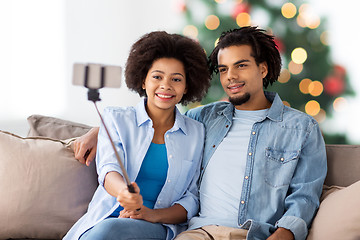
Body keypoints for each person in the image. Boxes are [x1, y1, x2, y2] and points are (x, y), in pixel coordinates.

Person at [75, 26, 327, 240]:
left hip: (251, 233)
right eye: (224, 69)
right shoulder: (207, 118)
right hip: (198, 233)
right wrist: (100, 130)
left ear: (262, 69)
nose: (231, 77)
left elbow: (305, 195)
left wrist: (284, 234)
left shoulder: (301, 128)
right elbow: (157, 117)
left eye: (241, 65)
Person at [63, 31, 211, 240]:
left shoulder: (196, 133)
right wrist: (123, 193)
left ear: (187, 86)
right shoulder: (115, 119)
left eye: (176, 79)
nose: (166, 85)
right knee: (107, 229)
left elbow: (191, 198)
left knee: (111, 231)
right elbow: (108, 169)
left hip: (155, 226)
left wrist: (152, 215)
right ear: (143, 80)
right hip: (105, 218)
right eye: (157, 76)